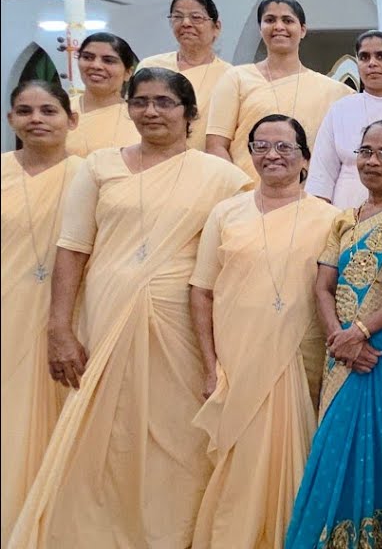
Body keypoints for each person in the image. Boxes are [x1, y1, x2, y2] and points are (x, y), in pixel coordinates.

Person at [11, 68, 251, 548]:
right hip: (106, 316)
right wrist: (59, 327)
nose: (151, 112)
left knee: (176, 435)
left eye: (164, 102)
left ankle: (171, 535)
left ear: (189, 114)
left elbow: (238, 256)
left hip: (179, 327)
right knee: (109, 428)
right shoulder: (101, 166)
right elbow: (72, 248)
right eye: (140, 102)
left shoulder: (224, 178)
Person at [188, 115, 339, 548]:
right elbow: (202, 292)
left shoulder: (330, 220)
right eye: (261, 146)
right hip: (235, 359)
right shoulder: (226, 212)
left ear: (305, 159)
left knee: (287, 461)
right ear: (249, 153)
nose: (272, 155)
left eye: (284, 147)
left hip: (294, 360)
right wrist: (209, 366)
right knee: (236, 466)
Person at [286, 120, 382, 549]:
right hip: (340, 353)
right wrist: (340, 339)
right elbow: (323, 286)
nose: (372, 161)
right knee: (334, 450)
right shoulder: (344, 220)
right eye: (365, 151)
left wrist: (362, 332)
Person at [1, 81, 81, 543]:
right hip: (7, 309)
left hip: (63, 313)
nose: (36, 119)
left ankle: (51, 520)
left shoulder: (89, 175)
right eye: (25, 110)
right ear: (11, 119)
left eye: (48, 110)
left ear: (71, 120)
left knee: (57, 408)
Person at [205, 0, 353, 180]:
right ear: (260, 29)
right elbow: (216, 145)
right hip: (247, 196)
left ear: (303, 30)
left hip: (307, 196)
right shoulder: (236, 78)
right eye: (270, 20)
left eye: (287, 20)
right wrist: (240, 190)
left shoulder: (335, 92)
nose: (279, 26)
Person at [307, 30, 382, 208]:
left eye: (381, 56)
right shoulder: (341, 109)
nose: (372, 63)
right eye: (364, 57)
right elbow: (322, 173)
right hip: (344, 212)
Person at [139, 0, 233, 150]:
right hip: (151, 160)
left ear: (216, 27)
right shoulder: (150, 66)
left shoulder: (230, 75)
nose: (186, 23)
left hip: (204, 165)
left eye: (196, 17)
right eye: (178, 17)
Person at [65, 31, 141, 156]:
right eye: (88, 57)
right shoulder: (59, 110)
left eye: (108, 60)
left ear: (128, 72)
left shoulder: (139, 116)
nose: (96, 65)